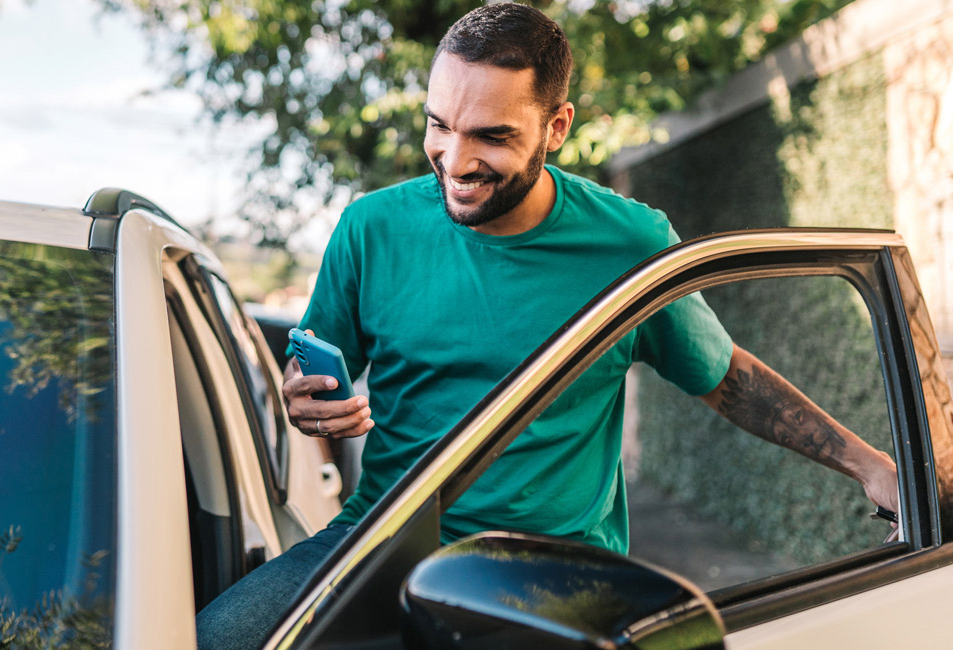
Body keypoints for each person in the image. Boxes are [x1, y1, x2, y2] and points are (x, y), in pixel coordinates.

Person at [196, 4, 899, 648]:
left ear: (556, 128)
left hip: (553, 573)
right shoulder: (370, 229)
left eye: (492, 137)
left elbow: (729, 379)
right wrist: (305, 401)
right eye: (440, 125)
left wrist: (871, 467)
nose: (457, 160)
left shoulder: (630, 245)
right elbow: (313, 377)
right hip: (382, 541)